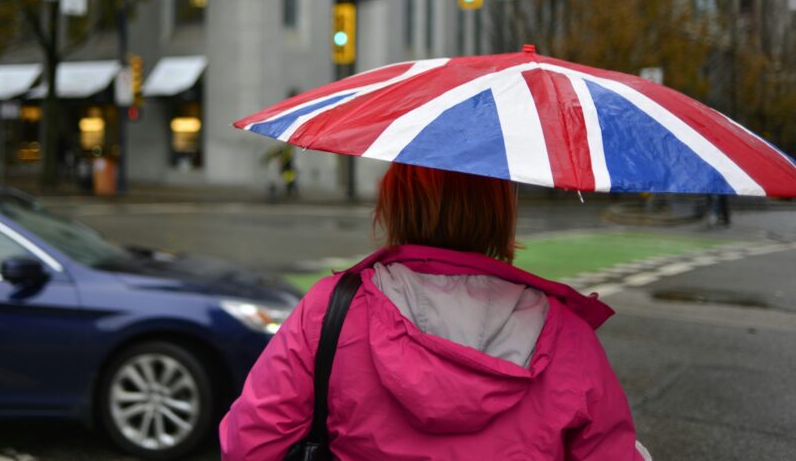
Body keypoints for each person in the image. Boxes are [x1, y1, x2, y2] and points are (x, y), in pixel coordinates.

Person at [220, 162, 652, 460]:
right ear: (499, 212)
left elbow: (249, 445)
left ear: (396, 204)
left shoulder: (332, 309)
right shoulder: (567, 336)